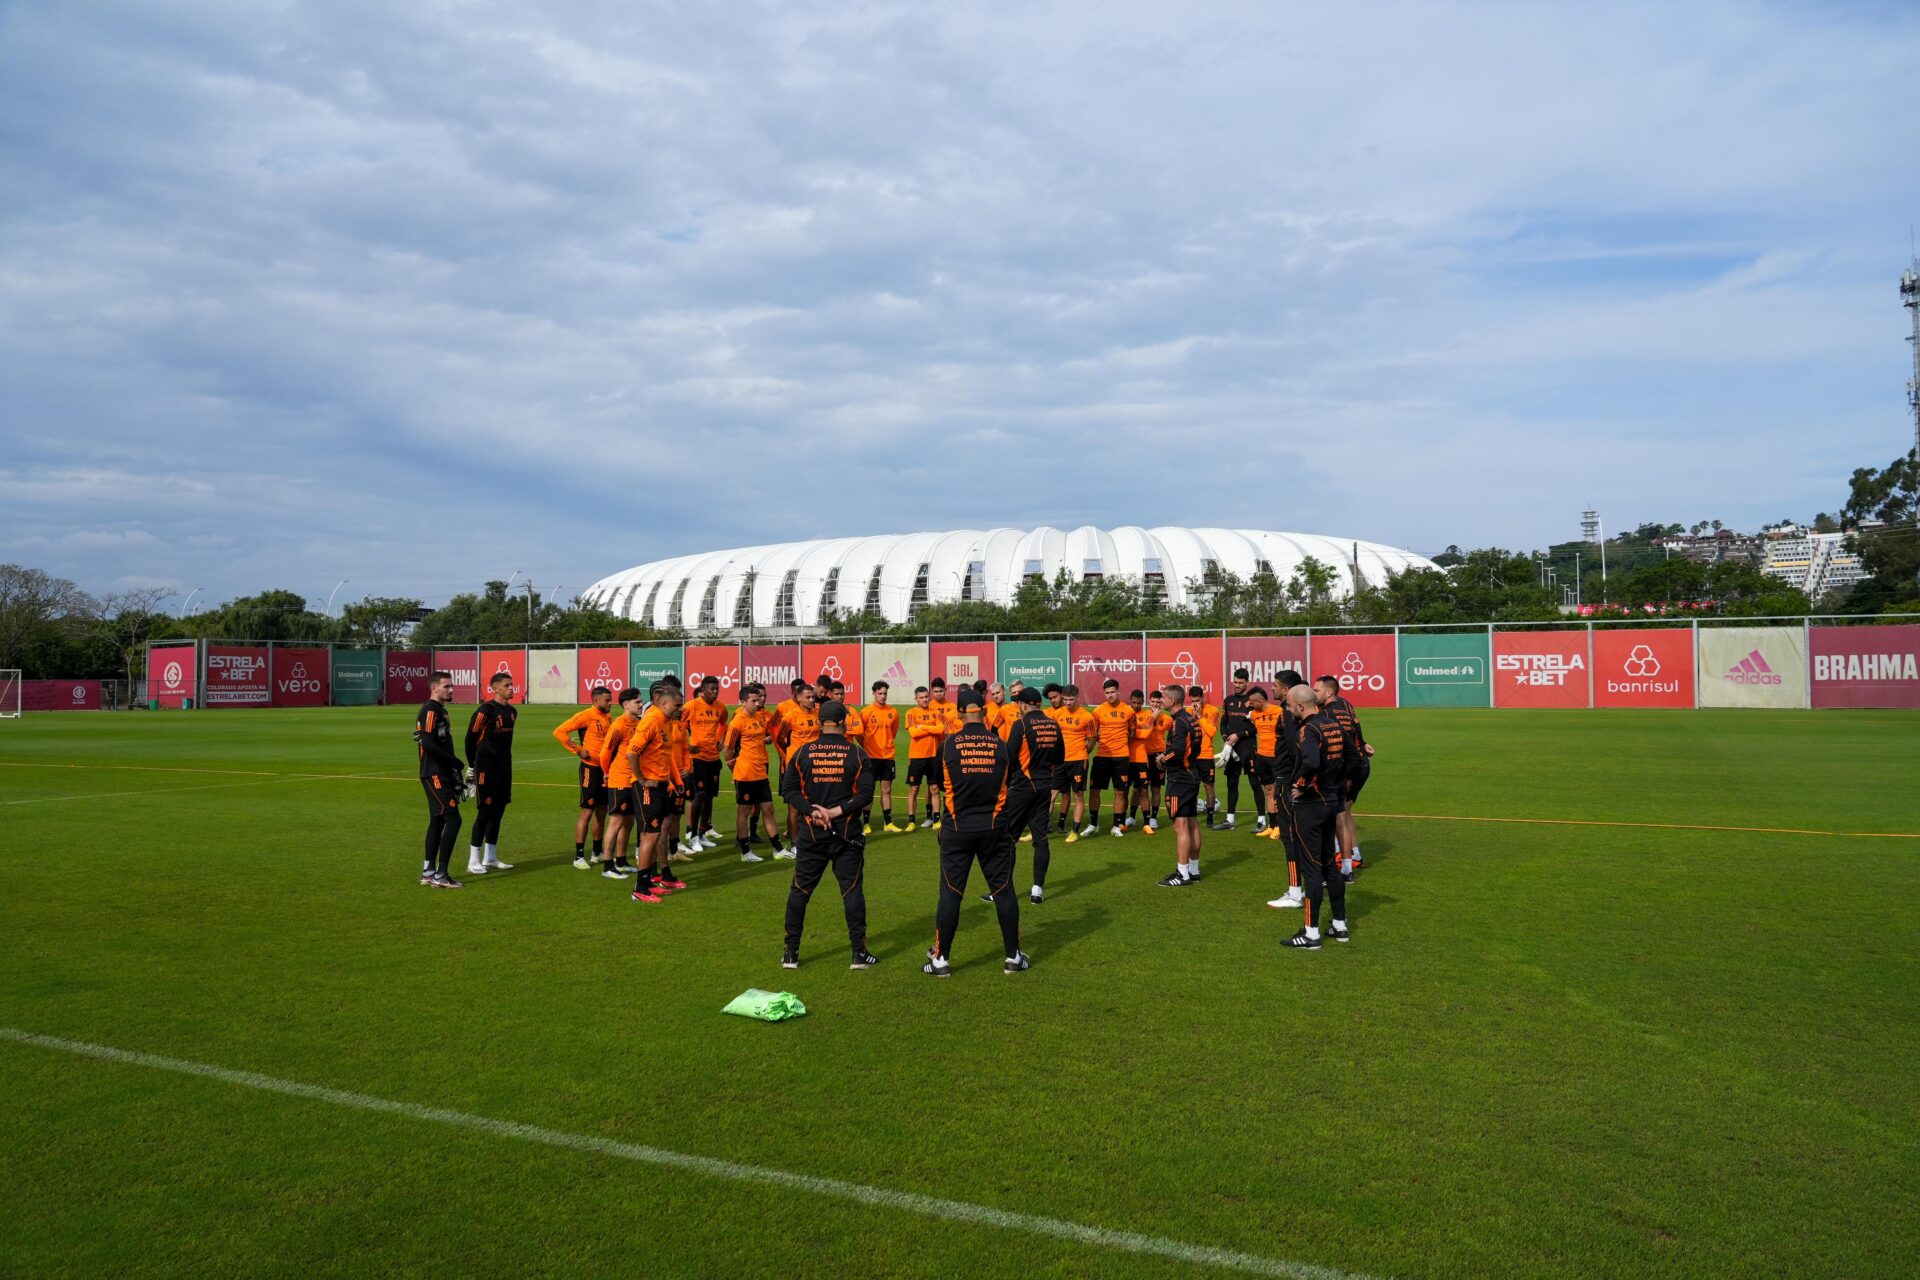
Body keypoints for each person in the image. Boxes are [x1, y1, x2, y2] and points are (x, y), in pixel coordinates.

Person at [924, 688, 1031, 977]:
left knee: (951, 893)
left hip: (957, 829)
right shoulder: (1000, 746)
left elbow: (936, 786)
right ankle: (1012, 957)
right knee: (1003, 890)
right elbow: (1012, 781)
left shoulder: (947, 746)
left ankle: (940, 960)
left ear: (958, 713)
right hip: (994, 828)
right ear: (983, 712)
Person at [778, 700, 879, 970]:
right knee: (852, 892)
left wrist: (812, 811)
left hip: (811, 834)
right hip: (846, 836)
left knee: (800, 891)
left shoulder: (802, 752)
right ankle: (858, 953)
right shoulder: (857, 755)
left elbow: (789, 792)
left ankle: (791, 953)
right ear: (844, 722)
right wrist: (833, 812)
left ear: (820, 721)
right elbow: (866, 795)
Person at [1283, 684, 1352, 948]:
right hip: (1331, 800)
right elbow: (1352, 757)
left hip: (1311, 805)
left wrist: (1299, 786)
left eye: (1290, 706)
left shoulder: (1307, 730)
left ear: (1300, 706)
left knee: (1311, 868)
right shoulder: (1333, 724)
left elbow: (1310, 762)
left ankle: (1311, 933)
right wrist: (1337, 785)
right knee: (1329, 865)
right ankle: (1339, 924)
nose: (1289, 710)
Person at [625, 681, 686, 902]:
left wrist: (676, 780)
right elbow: (631, 753)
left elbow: (666, 756)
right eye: (677, 705)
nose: (680, 709)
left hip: (661, 784)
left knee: (653, 833)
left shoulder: (667, 722)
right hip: (647, 786)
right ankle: (640, 889)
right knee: (650, 834)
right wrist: (641, 779)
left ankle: (649, 881)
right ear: (663, 702)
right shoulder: (651, 721)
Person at [1003, 687, 1063, 903]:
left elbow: (1008, 758)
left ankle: (1002, 889)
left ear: (1024, 705)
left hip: (1021, 788)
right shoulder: (1053, 724)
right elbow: (1060, 757)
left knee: (1008, 838)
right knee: (1041, 840)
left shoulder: (1021, 725)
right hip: (1044, 788)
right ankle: (1037, 889)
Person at [1315, 675, 1375, 877]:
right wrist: (1363, 743)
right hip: (1360, 764)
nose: (1315, 694)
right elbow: (1356, 727)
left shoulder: (1327, 713)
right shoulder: (1346, 705)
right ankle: (1354, 856)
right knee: (1345, 811)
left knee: (1338, 815)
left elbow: (1339, 742)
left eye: (1317, 690)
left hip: (1349, 766)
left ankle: (1345, 863)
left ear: (1329, 691)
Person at [413, 671, 466, 888]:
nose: (451, 690)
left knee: (438, 820)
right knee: (454, 820)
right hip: (434, 773)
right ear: (434, 688)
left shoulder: (440, 711)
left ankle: (428, 871)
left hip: (441, 772)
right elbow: (428, 744)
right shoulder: (431, 710)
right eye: (446, 687)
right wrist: (455, 762)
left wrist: (453, 773)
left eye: (451, 686)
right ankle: (441, 875)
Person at [723, 682, 786, 862]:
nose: (758, 703)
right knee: (744, 810)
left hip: (760, 772)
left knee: (768, 808)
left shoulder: (759, 717)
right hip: (745, 774)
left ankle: (778, 849)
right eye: (753, 700)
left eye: (758, 700)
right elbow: (728, 749)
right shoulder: (737, 721)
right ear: (743, 701)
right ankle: (745, 851)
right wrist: (734, 768)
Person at [553, 685, 614, 869]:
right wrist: (578, 750)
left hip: (605, 770)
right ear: (595, 701)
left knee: (602, 811)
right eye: (607, 700)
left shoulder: (608, 717)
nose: (611, 703)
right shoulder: (586, 715)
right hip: (589, 769)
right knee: (587, 812)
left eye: (611, 699)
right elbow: (559, 732)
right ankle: (579, 856)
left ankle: (597, 852)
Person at [464, 671, 516, 874]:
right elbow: (470, 739)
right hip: (486, 769)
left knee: (499, 811)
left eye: (512, 685)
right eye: (507, 685)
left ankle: (490, 858)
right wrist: (472, 766)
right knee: (485, 812)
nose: (511, 688)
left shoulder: (512, 712)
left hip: (504, 769)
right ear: (494, 689)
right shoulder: (485, 710)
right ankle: (473, 860)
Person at [1267, 671, 1310, 908]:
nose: (1272, 689)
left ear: (1285, 690)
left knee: (1290, 837)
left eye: (1275, 685)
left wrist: (1294, 780)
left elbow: (1296, 749)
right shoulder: (1301, 714)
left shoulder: (1286, 715)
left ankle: (1295, 892)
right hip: (1290, 778)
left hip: (1287, 780)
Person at [1154, 684, 1203, 886]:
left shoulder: (1178, 722)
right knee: (1191, 823)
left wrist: (1163, 758)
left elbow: (1178, 749)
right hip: (1192, 774)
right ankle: (1193, 869)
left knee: (1180, 825)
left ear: (1173, 701)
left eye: (1163, 697)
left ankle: (1182, 874)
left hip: (1180, 778)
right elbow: (1195, 747)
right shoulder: (1191, 718)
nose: (1161, 700)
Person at [597, 688, 644, 878]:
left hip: (633, 780)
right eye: (638, 702)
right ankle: (608, 867)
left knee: (629, 822)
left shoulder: (639, 723)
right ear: (626, 705)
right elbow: (604, 753)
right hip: (619, 780)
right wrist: (607, 774)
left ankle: (622, 861)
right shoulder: (619, 725)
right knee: (615, 822)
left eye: (641, 702)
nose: (641, 705)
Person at [681, 675, 729, 851]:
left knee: (709, 797)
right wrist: (687, 745)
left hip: (713, 758)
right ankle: (692, 835)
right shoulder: (692, 706)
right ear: (703, 690)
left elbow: (724, 723)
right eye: (712, 689)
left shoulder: (720, 707)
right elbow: (675, 725)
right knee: (699, 796)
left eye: (717, 688)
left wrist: (720, 740)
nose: (715, 692)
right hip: (698, 758)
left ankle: (702, 833)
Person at [771, 683, 820, 852]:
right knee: (794, 806)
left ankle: (812, 837)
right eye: (808, 697)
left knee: (814, 802)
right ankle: (794, 843)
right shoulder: (790, 716)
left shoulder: (818, 713)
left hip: (814, 765)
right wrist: (790, 753)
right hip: (796, 767)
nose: (811, 700)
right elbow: (779, 737)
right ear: (798, 698)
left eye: (813, 697)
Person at [1087, 679, 1135, 837]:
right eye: (1107, 693)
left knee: (1120, 792)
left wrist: (1119, 742)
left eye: (1112, 692)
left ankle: (1116, 825)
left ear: (1118, 691)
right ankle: (1093, 824)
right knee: (1094, 791)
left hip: (1121, 757)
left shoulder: (1128, 711)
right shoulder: (1098, 711)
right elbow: (1093, 734)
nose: (1110, 695)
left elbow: (1132, 733)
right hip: (1102, 757)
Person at [1048, 684, 1095, 841]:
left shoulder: (1087, 717)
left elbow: (1091, 739)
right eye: (1066, 699)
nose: (1068, 702)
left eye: (1071, 699)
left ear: (1077, 697)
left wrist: (1082, 753)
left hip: (1077, 761)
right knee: (1051, 795)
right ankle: (1039, 830)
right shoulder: (1057, 714)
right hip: (1060, 761)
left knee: (1078, 795)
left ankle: (1074, 831)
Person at [858, 679, 903, 833]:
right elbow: (859, 734)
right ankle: (866, 823)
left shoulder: (893, 712)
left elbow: (894, 732)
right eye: (880, 693)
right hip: (870, 757)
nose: (883, 696)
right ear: (874, 694)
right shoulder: (866, 712)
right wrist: (867, 746)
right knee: (868, 791)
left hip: (888, 756)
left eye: (885, 693)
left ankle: (888, 823)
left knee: (887, 790)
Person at [1216, 668, 1255, 828]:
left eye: (1240, 682)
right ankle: (1230, 819)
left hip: (1248, 747)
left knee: (1255, 783)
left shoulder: (1252, 701)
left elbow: (1256, 727)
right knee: (1232, 782)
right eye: (1235, 682)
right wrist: (1226, 740)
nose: (1237, 685)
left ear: (1247, 683)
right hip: (1231, 749)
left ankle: (1261, 820)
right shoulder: (1228, 700)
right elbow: (1223, 723)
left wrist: (1239, 735)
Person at [903, 685, 946, 828]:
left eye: (926, 697)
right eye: (921, 697)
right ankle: (911, 821)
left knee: (934, 789)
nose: (924, 699)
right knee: (914, 790)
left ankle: (937, 820)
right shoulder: (911, 713)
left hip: (933, 756)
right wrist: (930, 729)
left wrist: (923, 727)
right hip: (916, 757)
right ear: (915, 699)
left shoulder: (936, 713)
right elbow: (913, 733)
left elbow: (940, 729)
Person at [1245, 686, 1283, 839]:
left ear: (1261, 701)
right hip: (1261, 756)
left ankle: (1281, 826)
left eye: (1252, 702)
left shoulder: (1279, 712)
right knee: (1268, 790)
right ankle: (1271, 825)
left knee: (1279, 792)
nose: (1250, 704)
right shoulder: (1254, 714)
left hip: (1277, 756)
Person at [1191, 684, 1221, 817]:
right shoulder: (1187, 712)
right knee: (1192, 787)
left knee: (1209, 786)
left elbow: (1212, 732)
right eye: (1192, 701)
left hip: (1207, 755)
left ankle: (1210, 817)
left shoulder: (1213, 711)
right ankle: (1192, 815)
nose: (1195, 704)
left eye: (1197, 701)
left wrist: (1199, 718)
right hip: (1192, 756)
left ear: (1203, 698)